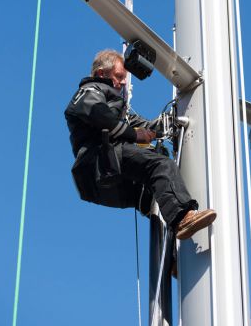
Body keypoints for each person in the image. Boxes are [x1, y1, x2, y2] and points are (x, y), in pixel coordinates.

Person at [64, 49, 216, 239]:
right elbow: (97, 115)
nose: (122, 83)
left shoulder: (117, 111)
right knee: (160, 165)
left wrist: (170, 122)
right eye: (119, 76)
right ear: (101, 73)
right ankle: (183, 219)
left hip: (101, 181)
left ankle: (171, 256)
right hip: (98, 160)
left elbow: (145, 126)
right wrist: (135, 136)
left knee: (153, 197)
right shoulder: (90, 91)